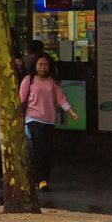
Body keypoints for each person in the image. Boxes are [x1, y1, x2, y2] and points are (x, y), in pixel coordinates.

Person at [19, 54, 79, 191]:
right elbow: (21, 99)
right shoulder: (29, 80)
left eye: (45, 65)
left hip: (49, 120)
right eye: (40, 64)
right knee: (40, 149)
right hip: (33, 119)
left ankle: (43, 178)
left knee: (48, 151)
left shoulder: (52, 82)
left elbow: (61, 99)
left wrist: (71, 112)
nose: (43, 67)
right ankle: (39, 179)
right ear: (35, 65)